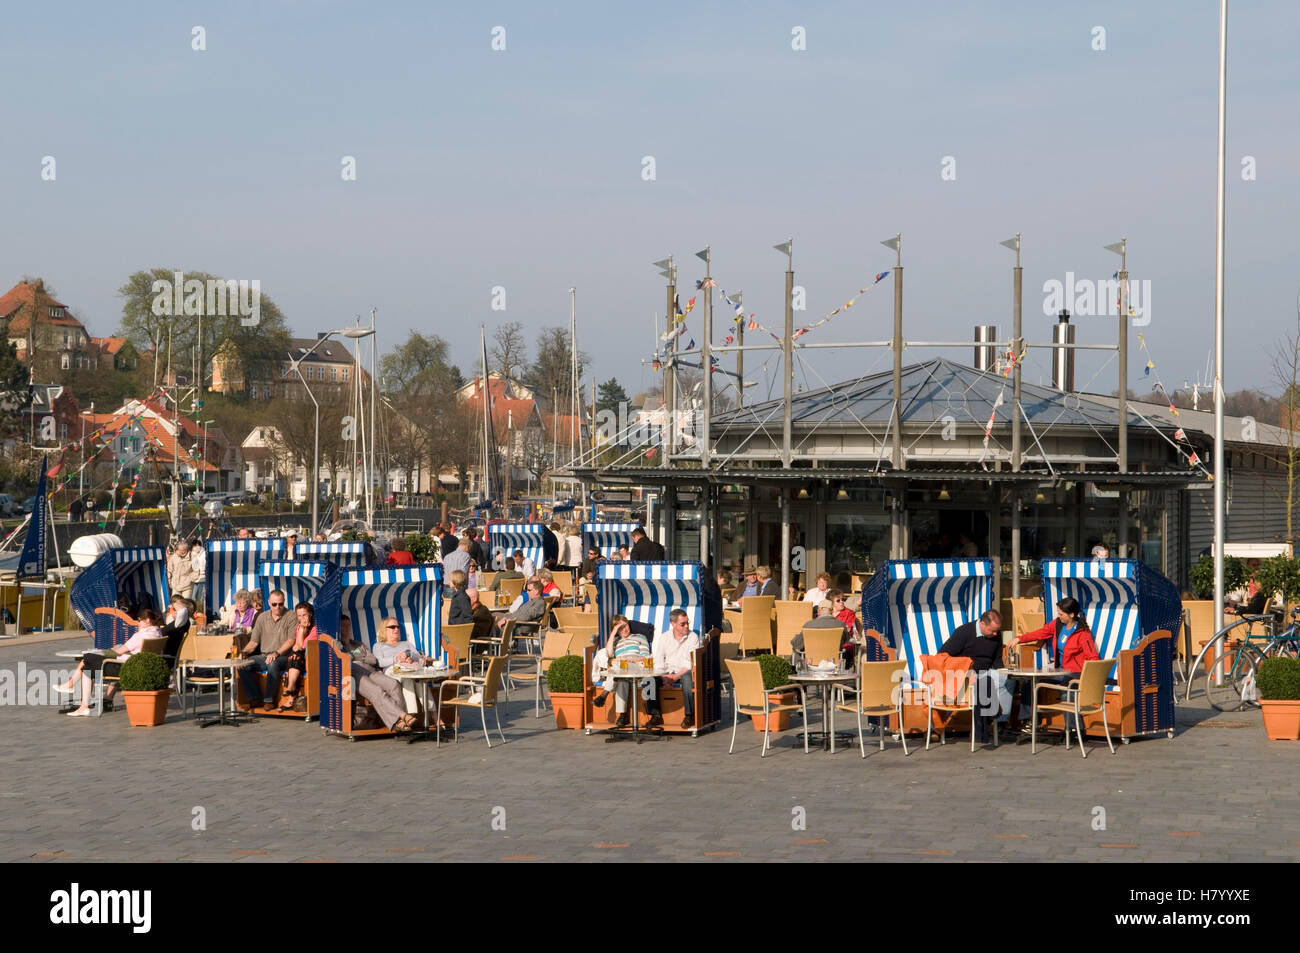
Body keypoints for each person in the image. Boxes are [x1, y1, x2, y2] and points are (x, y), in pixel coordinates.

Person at [1010, 596, 1100, 728]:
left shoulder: (1082, 633)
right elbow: (1041, 633)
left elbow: (1094, 658)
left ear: (1072, 615)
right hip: (1060, 670)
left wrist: (1090, 679)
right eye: (1058, 613)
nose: (1059, 616)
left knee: (1066, 689)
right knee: (1029, 682)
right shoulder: (1058, 624)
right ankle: (1029, 721)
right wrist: (1019, 639)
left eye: (1061, 614)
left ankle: (1074, 730)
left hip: (1076, 673)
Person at [57, 609, 164, 715]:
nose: (138, 622)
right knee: (89, 661)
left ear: (148, 620)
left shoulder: (140, 636)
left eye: (140, 620)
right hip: (138, 666)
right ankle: (84, 694)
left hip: (126, 668)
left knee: (87, 662)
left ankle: (82, 703)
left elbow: (119, 652)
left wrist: (101, 652)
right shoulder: (158, 633)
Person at [938, 609, 1009, 742]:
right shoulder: (963, 632)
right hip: (967, 674)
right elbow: (943, 656)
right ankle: (990, 718)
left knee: (1008, 681)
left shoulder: (996, 634)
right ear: (982, 623)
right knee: (984, 683)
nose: (995, 634)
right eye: (992, 631)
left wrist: (1002, 671)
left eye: (997, 631)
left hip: (988, 671)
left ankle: (999, 721)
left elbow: (997, 657)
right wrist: (966, 671)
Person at [340, 615, 417, 732]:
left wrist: (359, 658)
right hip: (356, 675)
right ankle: (402, 717)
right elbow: (347, 659)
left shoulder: (358, 644)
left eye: (348, 625)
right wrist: (359, 658)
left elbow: (373, 660)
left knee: (394, 684)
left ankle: (398, 722)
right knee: (376, 691)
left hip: (371, 671)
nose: (346, 628)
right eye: (343, 626)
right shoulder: (339, 646)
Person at [591, 615, 657, 728]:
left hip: (637, 667)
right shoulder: (616, 641)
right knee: (621, 680)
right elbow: (609, 654)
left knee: (618, 668)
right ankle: (622, 716)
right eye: (620, 628)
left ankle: (604, 695)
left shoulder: (640, 637)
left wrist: (630, 660)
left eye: (625, 626)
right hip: (620, 671)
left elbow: (645, 657)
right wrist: (614, 633)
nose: (625, 629)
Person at [237, 588, 297, 708]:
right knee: (243, 664)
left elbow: (291, 640)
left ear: (284, 602)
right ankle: (255, 698)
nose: (277, 607)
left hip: (284, 657)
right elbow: (254, 642)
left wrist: (276, 653)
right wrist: (243, 652)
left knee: (273, 663)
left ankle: (268, 700)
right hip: (264, 655)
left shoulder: (291, 615)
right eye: (274, 604)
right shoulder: (262, 617)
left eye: (280, 604)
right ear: (269, 603)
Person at [653, 608, 700, 729]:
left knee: (688, 678)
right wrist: (663, 677)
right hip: (667, 672)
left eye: (687, 623)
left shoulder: (693, 637)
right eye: (682, 624)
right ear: (673, 624)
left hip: (683, 672)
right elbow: (658, 660)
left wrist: (675, 676)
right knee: (649, 680)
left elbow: (690, 663)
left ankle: (689, 715)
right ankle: (655, 715)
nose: (686, 626)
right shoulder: (664, 637)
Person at [277, 603, 318, 710]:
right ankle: (291, 688)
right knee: (294, 657)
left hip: (314, 658)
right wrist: (301, 629)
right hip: (301, 659)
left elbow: (301, 646)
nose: (301, 618)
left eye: (304, 615)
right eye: (299, 616)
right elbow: (297, 646)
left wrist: (301, 630)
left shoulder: (315, 628)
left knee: (295, 656)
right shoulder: (299, 626)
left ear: (310, 615)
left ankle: (291, 695)